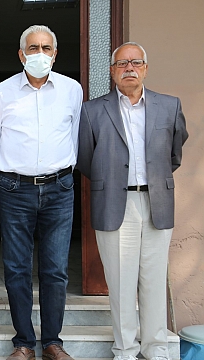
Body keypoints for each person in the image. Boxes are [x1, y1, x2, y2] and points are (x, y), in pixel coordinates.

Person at [76, 42, 188, 360]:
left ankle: (156, 350)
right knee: (122, 284)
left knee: (153, 280)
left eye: (136, 62)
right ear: (112, 71)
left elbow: (174, 154)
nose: (129, 68)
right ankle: (125, 350)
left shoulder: (170, 106)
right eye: (122, 63)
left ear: (146, 68)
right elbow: (86, 158)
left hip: (156, 203)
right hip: (114, 203)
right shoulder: (93, 110)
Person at [0, 25, 82, 360]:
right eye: (32, 48)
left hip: (60, 187)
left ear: (55, 54)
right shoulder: (2, 92)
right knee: (16, 267)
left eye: (45, 48)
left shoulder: (72, 90)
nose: (39, 53)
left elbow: (74, 138)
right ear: (21, 54)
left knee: (55, 269)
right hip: (15, 188)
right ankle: (24, 343)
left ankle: (53, 342)